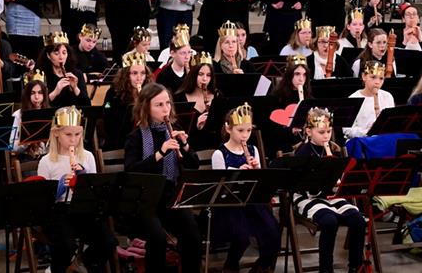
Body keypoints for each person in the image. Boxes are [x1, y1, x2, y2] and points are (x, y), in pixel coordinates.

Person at [124, 82, 201, 273]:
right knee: (157, 238)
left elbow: (194, 165)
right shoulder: (136, 137)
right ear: (146, 107)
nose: (165, 108)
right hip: (144, 199)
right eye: (159, 105)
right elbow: (132, 172)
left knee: (192, 233)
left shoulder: (173, 129)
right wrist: (160, 152)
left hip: (169, 196)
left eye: (167, 103)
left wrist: (185, 146)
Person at [38, 106, 117, 272]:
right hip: (58, 210)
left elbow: (96, 191)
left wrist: (84, 178)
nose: (73, 139)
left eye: (77, 134)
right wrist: (59, 187)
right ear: (56, 134)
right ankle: (56, 267)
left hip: (84, 209)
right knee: (66, 245)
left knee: (108, 241)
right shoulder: (46, 161)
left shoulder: (87, 156)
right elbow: (42, 198)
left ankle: (84, 260)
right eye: (68, 135)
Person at [293, 107, 366, 273]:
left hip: (331, 195)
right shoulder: (302, 152)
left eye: (328, 131)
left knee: (358, 221)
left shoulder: (334, 149)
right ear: (309, 132)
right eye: (321, 132)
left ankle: (356, 265)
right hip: (307, 197)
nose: (326, 136)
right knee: (329, 222)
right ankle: (325, 268)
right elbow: (300, 183)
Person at [211, 103, 280, 272]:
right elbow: (221, 188)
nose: (245, 135)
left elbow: (259, 184)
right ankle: (231, 265)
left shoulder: (253, 149)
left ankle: (261, 267)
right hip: (230, 205)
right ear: (228, 129)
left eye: (248, 131)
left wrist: (256, 171)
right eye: (240, 130)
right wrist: (237, 174)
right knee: (241, 237)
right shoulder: (219, 154)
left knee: (273, 233)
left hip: (252, 202)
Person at [103, 52, 153, 150]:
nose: (139, 78)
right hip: (121, 141)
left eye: (142, 73)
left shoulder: (150, 92)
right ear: (126, 75)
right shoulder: (113, 93)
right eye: (134, 73)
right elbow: (109, 120)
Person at [343, 61, 395, 139]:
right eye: (373, 77)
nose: (377, 82)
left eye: (381, 78)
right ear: (364, 76)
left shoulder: (387, 96)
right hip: (364, 141)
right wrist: (367, 132)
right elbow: (346, 129)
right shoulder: (353, 99)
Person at [38, 31, 90, 108]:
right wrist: (55, 92)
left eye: (64, 53)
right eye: (56, 53)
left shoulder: (77, 74)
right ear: (48, 56)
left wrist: (75, 88)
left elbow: (87, 105)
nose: (61, 57)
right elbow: (37, 105)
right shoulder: (41, 75)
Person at [10, 71, 50, 160]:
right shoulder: (18, 115)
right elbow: (11, 146)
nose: (37, 97)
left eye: (40, 93)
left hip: (48, 157)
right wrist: (25, 142)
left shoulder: (50, 113)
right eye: (33, 93)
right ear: (27, 95)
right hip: (27, 157)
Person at [156, 29, 191, 93]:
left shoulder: (193, 73)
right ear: (172, 53)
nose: (187, 57)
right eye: (183, 53)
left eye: (189, 52)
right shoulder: (164, 76)